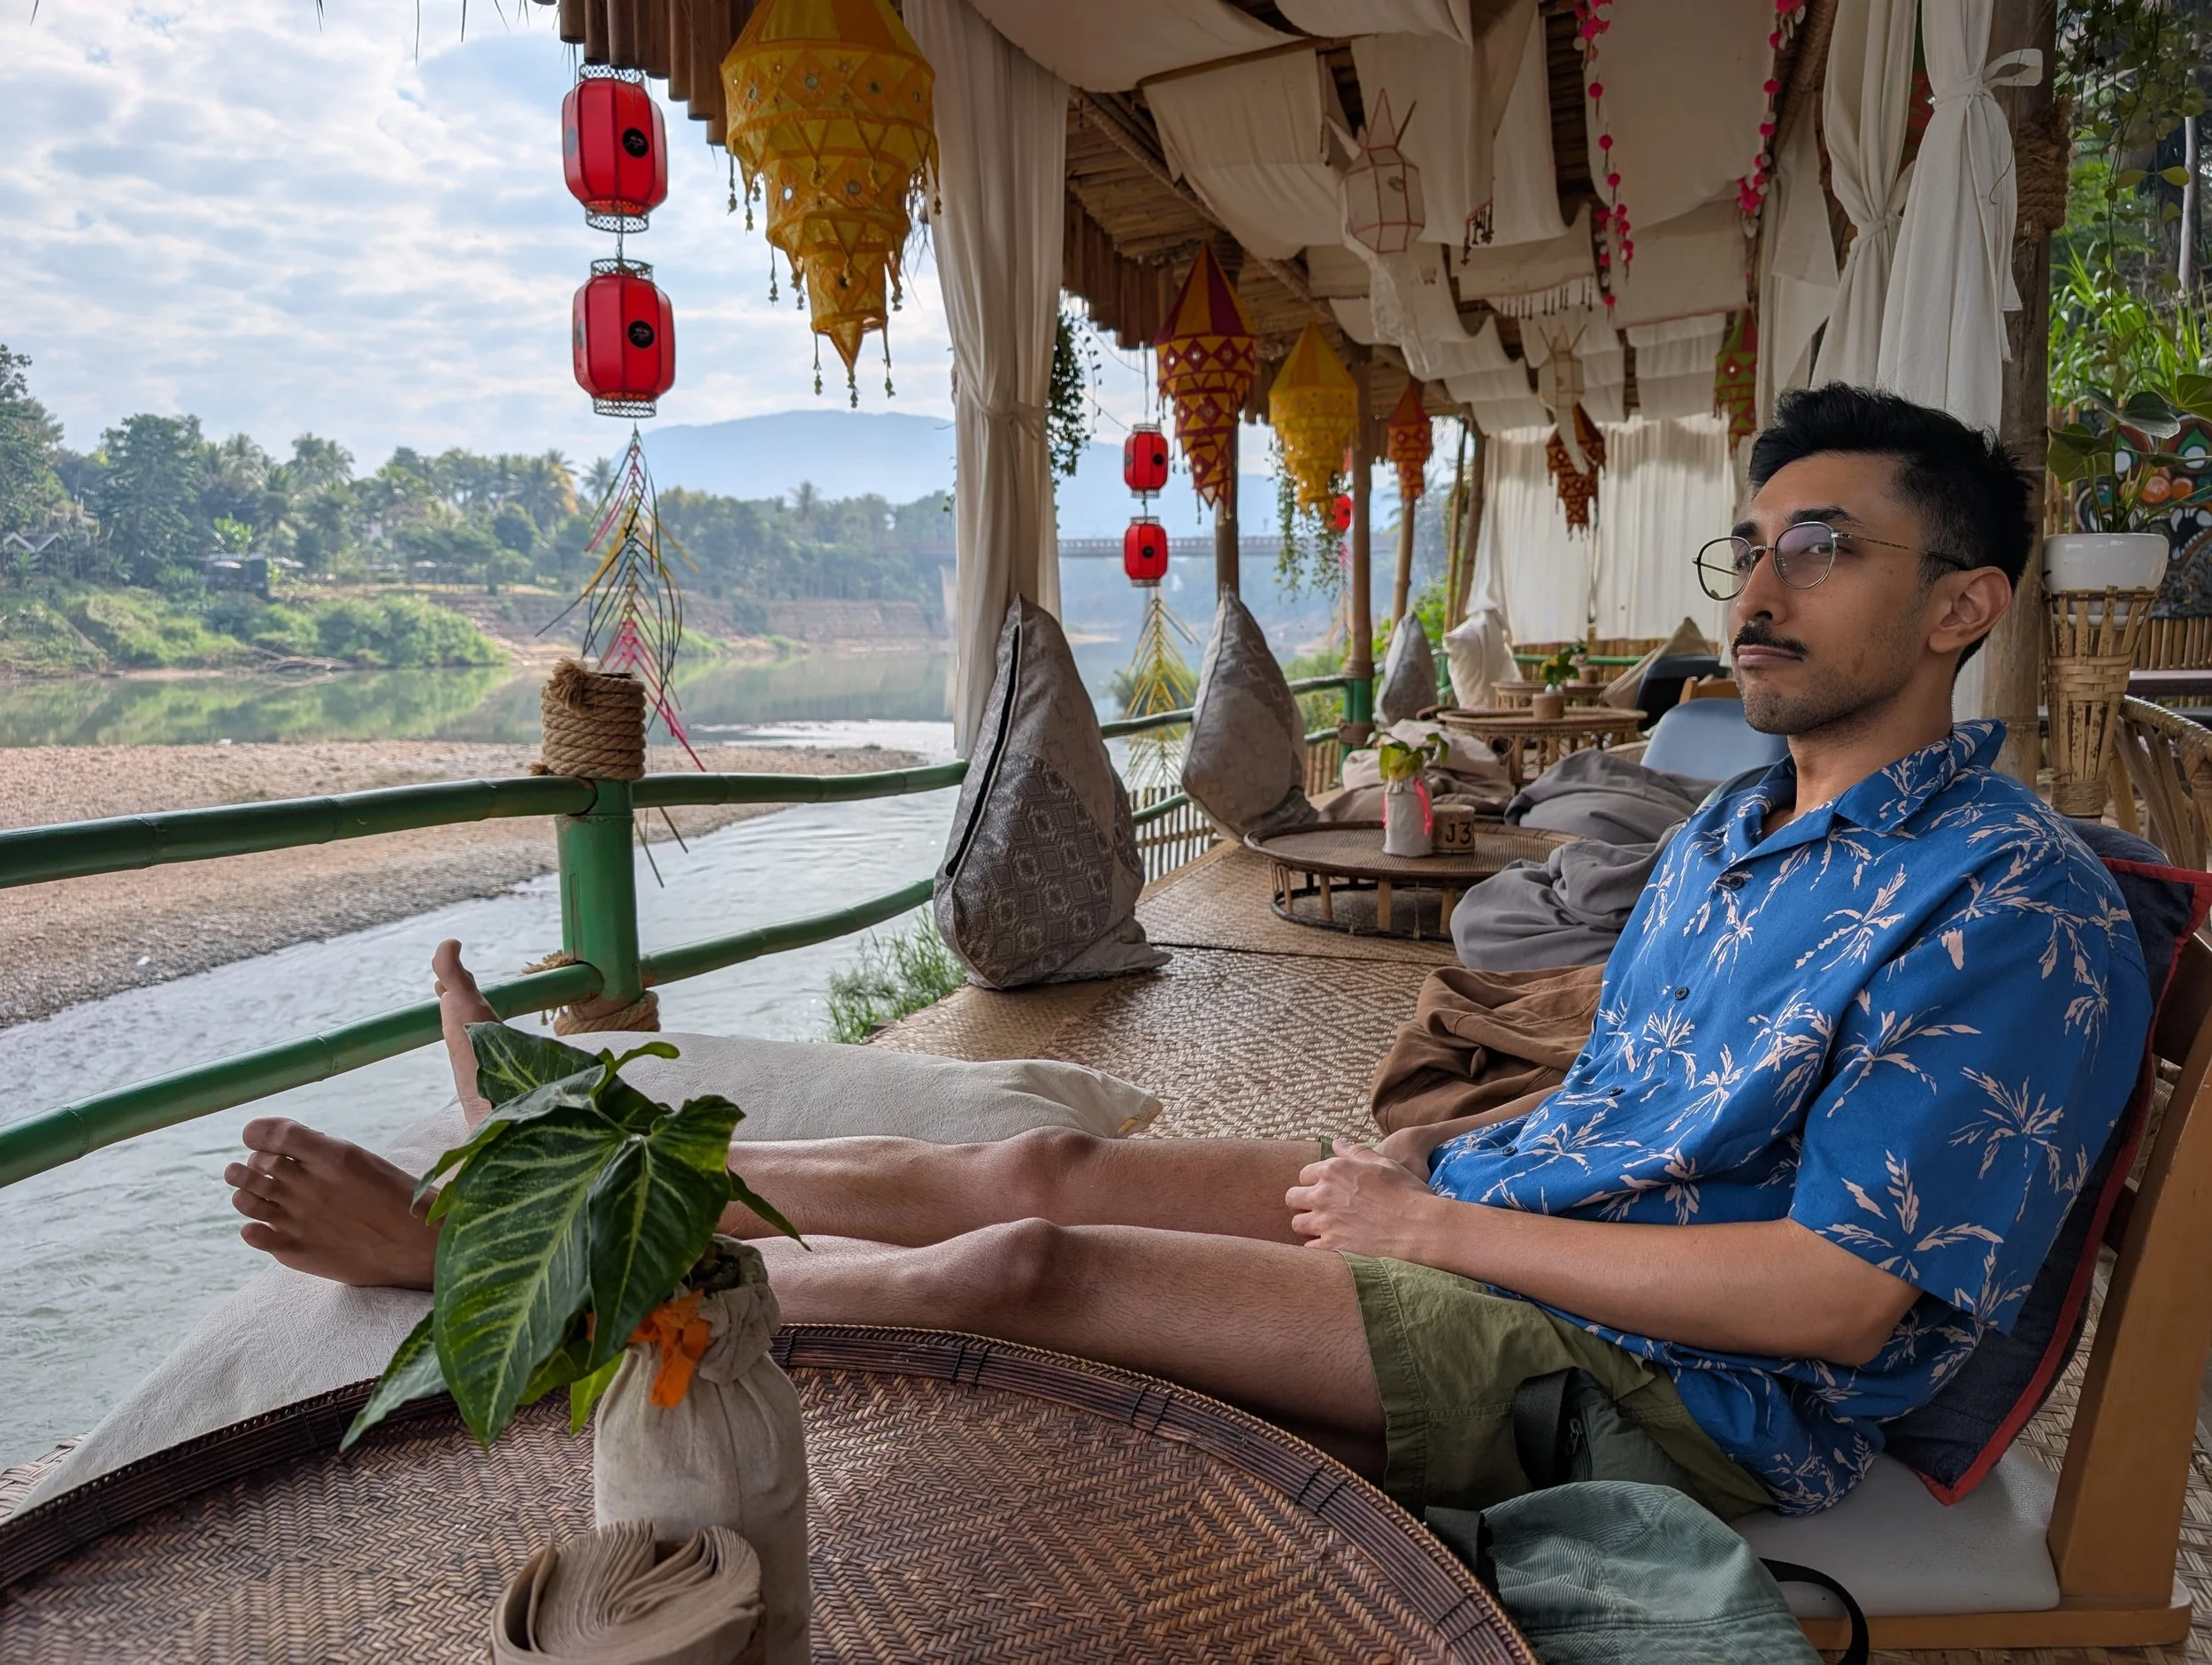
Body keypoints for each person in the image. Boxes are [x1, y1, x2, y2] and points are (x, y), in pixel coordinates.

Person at [227, 387, 2150, 1519]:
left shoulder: (2007, 907)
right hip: (1525, 1216)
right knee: (1029, 1159)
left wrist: (1442, 1231)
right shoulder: (1738, 828)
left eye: (1823, 547)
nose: (1755, 588)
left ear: (1961, 606)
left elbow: (1835, 1301)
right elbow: (1642, 1100)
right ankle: (568, 1166)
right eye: (1752, 545)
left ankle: (502, 1284)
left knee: (1024, 1264)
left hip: (1679, 1387)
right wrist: (1451, 1160)